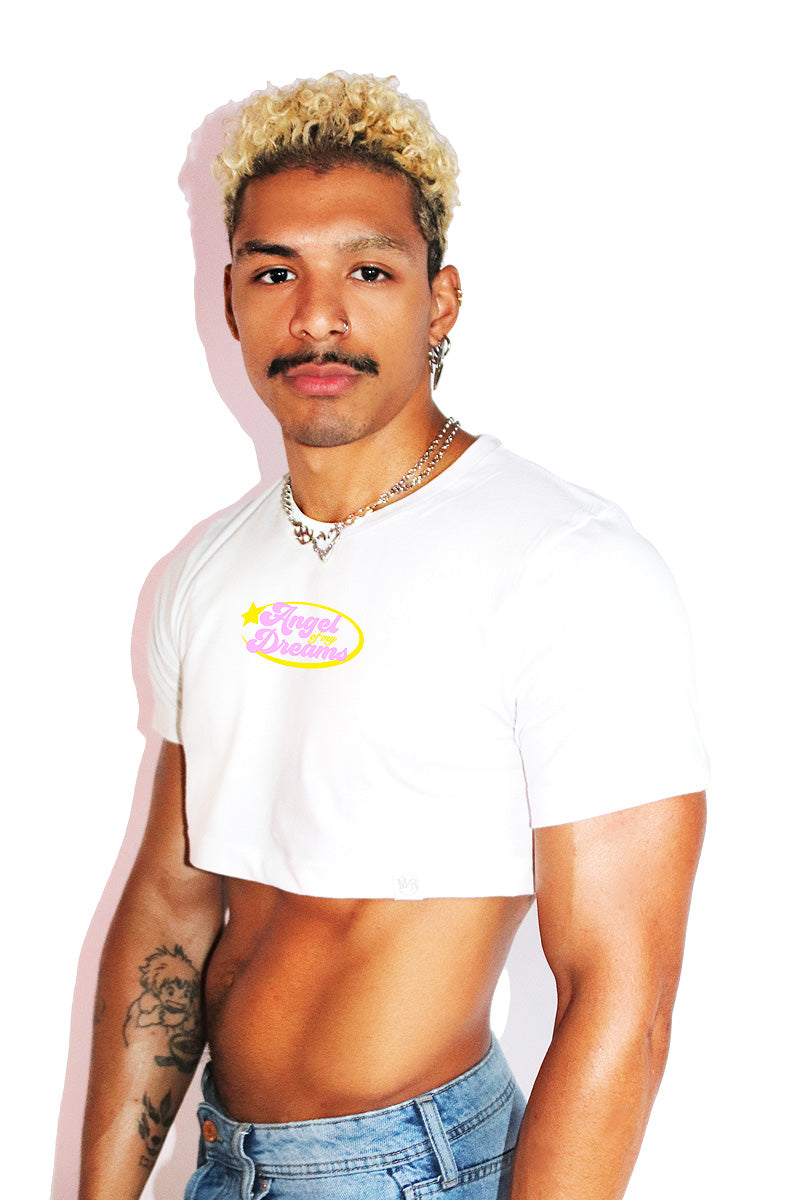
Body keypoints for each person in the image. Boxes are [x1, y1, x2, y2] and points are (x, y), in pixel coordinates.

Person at [78, 73, 709, 1200]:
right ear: (230, 299)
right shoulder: (207, 572)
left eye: (368, 271)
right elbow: (172, 905)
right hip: (226, 1161)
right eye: (276, 271)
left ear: (440, 299)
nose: (317, 316)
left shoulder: (565, 565)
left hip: (413, 1170)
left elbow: (621, 999)